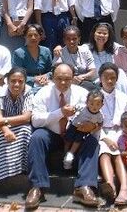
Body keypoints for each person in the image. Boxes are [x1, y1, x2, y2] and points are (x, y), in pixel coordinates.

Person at [26, 63, 100, 209]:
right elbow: (35, 120)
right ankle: (37, 187)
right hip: (51, 134)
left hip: (74, 137)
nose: (63, 82)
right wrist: (60, 112)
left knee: (91, 141)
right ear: (52, 78)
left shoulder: (82, 94)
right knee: (36, 137)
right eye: (59, 79)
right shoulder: (43, 93)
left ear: (73, 78)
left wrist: (92, 126)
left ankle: (83, 187)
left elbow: (93, 116)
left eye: (67, 79)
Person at [0, 67, 34, 185]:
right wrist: (6, 130)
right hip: (2, 127)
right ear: (7, 81)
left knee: (25, 130)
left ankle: (20, 167)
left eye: (20, 81)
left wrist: (3, 121)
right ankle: (1, 171)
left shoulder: (28, 92)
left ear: (25, 82)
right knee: (1, 135)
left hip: (21, 124)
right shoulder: (0, 92)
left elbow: (26, 117)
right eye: (13, 81)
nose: (16, 84)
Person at [97, 62, 127, 206]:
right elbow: (90, 121)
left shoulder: (123, 97)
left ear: (117, 79)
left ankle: (124, 189)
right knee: (104, 152)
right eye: (106, 77)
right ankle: (110, 186)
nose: (110, 81)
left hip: (119, 131)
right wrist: (105, 138)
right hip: (101, 132)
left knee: (118, 154)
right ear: (100, 78)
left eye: (113, 77)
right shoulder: (93, 96)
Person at [63, 89, 103, 170]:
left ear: (102, 105)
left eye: (98, 104)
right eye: (91, 104)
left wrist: (93, 130)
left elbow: (100, 124)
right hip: (74, 126)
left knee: (77, 141)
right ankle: (65, 153)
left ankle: (70, 154)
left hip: (84, 130)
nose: (94, 107)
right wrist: (72, 110)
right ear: (87, 102)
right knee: (68, 139)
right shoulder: (82, 108)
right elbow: (73, 109)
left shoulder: (99, 115)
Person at [86, 22, 127, 94]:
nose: (101, 35)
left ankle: (122, 99)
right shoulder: (86, 49)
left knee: (120, 72)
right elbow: (72, 49)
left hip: (110, 81)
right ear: (94, 34)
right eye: (99, 32)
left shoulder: (114, 47)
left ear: (109, 36)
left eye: (105, 34)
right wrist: (59, 47)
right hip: (95, 84)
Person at [54, 25, 96, 90]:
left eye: (74, 39)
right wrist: (71, 80)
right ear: (64, 40)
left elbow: (92, 72)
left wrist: (80, 77)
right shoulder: (59, 52)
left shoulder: (85, 51)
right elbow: (56, 73)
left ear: (79, 39)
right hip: (66, 84)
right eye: (68, 39)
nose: (71, 42)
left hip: (85, 82)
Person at [12, 24, 52, 91]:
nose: (33, 38)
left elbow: (51, 71)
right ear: (25, 36)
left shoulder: (46, 51)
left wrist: (45, 77)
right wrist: (34, 79)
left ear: (40, 37)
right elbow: (17, 75)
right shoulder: (18, 53)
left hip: (45, 83)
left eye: (36, 35)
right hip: (26, 86)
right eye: (30, 35)